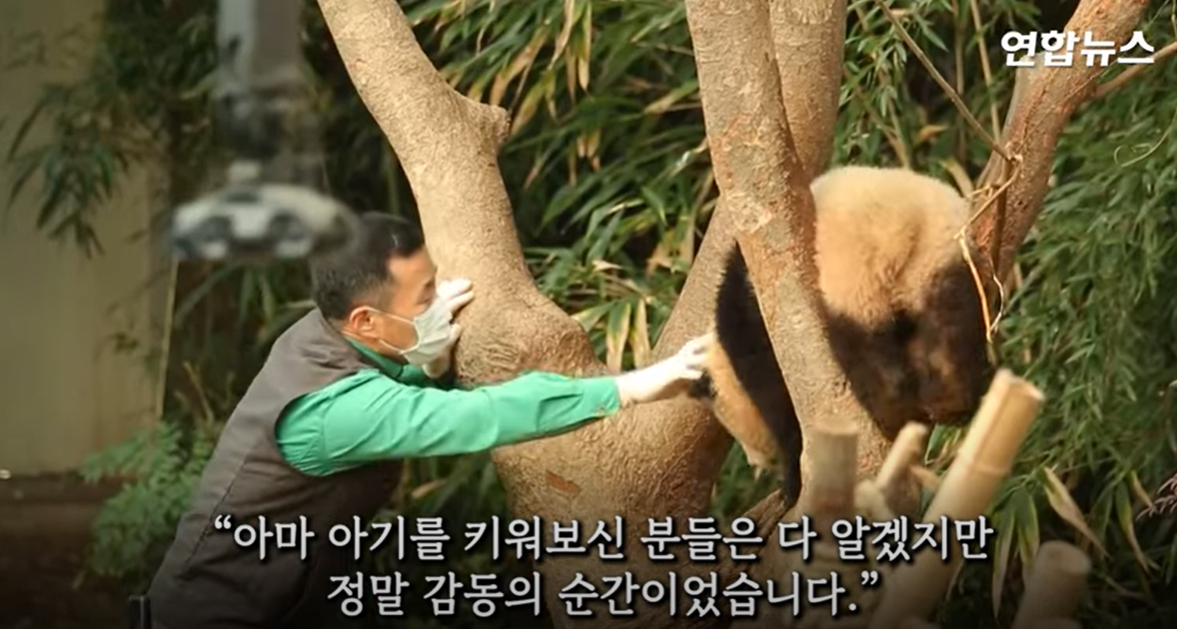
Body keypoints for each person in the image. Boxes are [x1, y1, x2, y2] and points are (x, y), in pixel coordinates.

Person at [145, 212, 713, 629]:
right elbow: (479, 415)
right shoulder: (331, 410)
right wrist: (628, 387)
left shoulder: (320, 334)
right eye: (424, 297)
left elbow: (387, 392)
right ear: (366, 321)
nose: (439, 303)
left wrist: (428, 361)